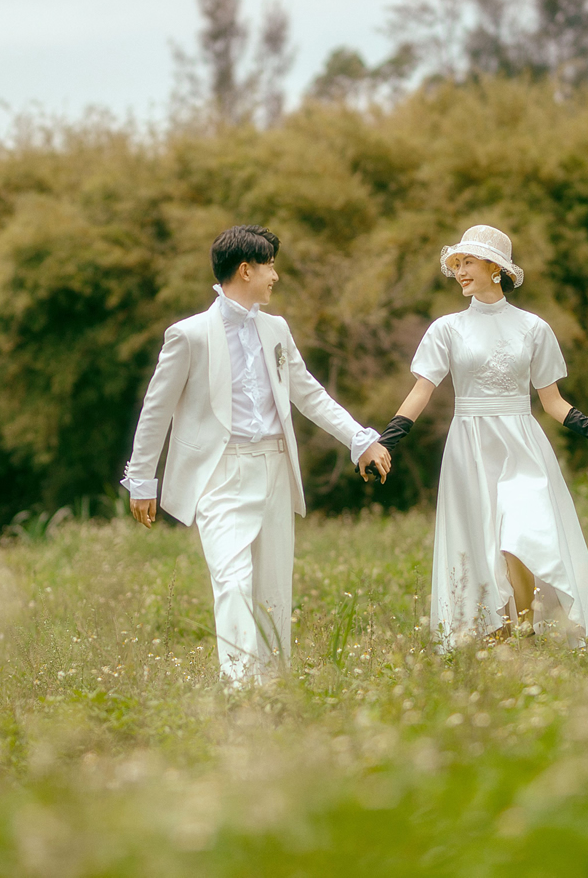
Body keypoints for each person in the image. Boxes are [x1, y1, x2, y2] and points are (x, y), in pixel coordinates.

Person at [123, 225, 393, 684]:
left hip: (274, 469)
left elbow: (308, 394)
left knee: (272, 591)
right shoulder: (188, 335)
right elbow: (156, 410)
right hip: (220, 475)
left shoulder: (276, 329)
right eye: (269, 266)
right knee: (232, 581)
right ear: (245, 270)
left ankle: (272, 690)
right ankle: (240, 689)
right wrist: (143, 480)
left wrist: (360, 438)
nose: (276, 276)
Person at [377, 225, 588, 648]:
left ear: (496, 267)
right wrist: (386, 442)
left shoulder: (533, 328)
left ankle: (525, 628)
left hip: (522, 443)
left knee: (520, 530)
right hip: (469, 446)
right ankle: (498, 634)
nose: (460, 271)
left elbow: (551, 401)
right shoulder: (447, 329)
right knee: (483, 542)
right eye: (457, 264)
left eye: (469, 262)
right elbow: (421, 391)